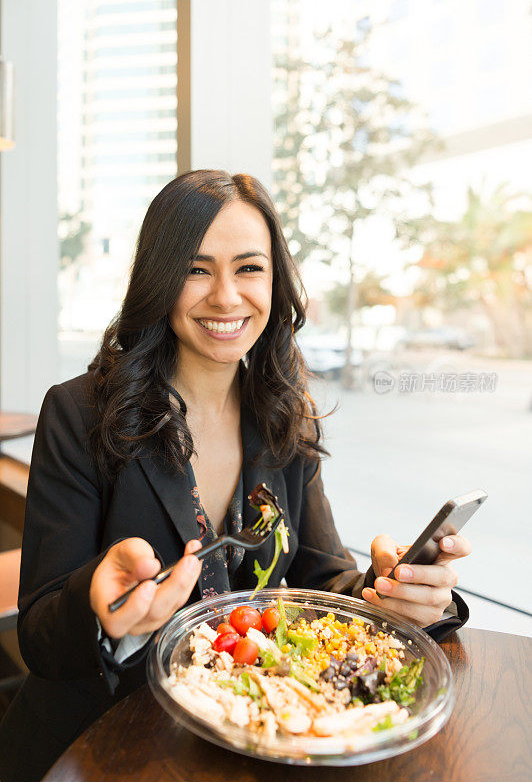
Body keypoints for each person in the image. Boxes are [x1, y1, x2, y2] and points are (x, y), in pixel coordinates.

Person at [0, 170, 470, 781]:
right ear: (158, 280)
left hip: (244, 746)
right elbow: (38, 636)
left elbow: (321, 581)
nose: (226, 297)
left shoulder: (283, 416)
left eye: (249, 269)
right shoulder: (80, 413)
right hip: (104, 748)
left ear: (275, 282)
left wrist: (397, 592)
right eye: (197, 270)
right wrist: (99, 604)